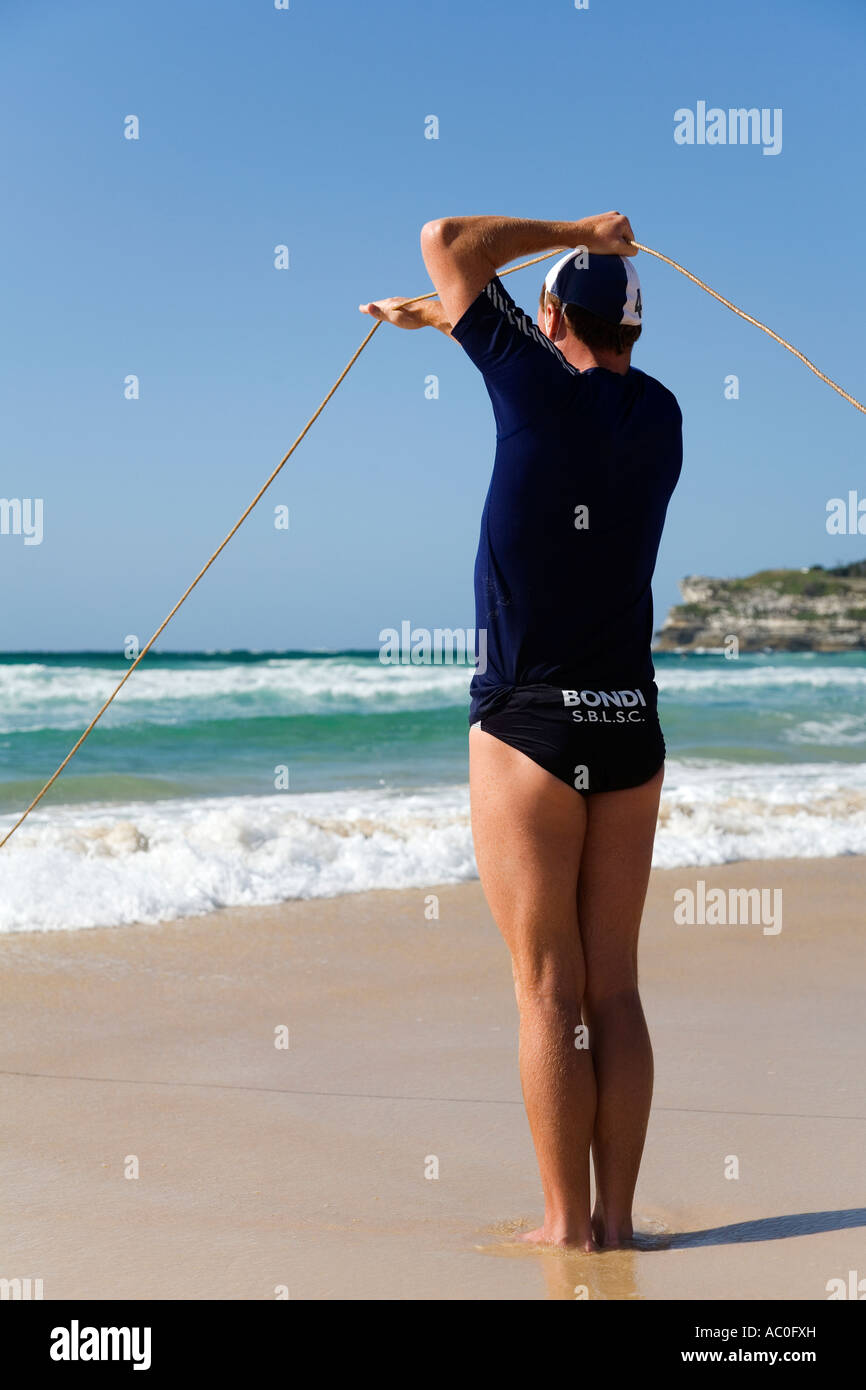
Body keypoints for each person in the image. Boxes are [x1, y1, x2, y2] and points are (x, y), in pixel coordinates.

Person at [360, 212, 683, 1251]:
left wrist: (579, 230)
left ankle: (564, 1227)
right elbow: (476, 295)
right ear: (630, 325)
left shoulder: (536, 383)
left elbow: (446, 236)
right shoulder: (663, 415)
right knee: (612, 985)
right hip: (627, 727)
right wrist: (447, 320)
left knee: (547, 990)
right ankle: (618, 1219)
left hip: (528, 726)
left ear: (550, 316)